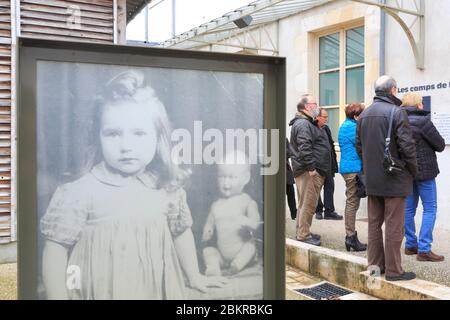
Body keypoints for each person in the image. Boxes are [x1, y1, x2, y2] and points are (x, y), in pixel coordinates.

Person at [40, 70, 226, 299]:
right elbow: (55, 250)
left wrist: (194, 276)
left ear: (158, 138)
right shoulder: (79, 192)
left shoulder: (166, 188)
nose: (126, 145)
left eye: (139, 133)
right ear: (98, 136)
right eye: (113, 134)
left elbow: (181, 233)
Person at [356, 75, 418, 281]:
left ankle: (375, 268)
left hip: (373, 179)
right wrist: (413, 171)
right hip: (395, 178)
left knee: (374, 224)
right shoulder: (396, 112)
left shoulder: (363, 115)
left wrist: (370, 169)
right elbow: (407, 147)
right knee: (394, 225)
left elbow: (359, 147)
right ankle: (394, 271)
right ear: (392, 91)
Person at [401, 93, 445, 262]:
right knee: (430, 209)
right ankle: (424, 249)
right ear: (418, 105)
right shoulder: (423, 121)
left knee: (408, 209)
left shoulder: (398, 121)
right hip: (425, 173)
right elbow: (440, 145)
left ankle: (411, 244)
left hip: (407, 172)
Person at [202, 151, 261, 276]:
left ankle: (237, 265)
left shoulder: (246, 200)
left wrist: (247, 222)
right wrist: (207, 230)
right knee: (208, 251)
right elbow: (209, 224)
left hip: (242, 250)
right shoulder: (216, 205)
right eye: (222, 176)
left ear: (245, 178)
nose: (225, 182)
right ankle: (213, 267)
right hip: (222, 254)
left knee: (250, 247)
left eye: (232, 177)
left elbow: (256, 224)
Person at [289, 94, 331, 246]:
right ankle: (303, 235)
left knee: (304, 203)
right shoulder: (303, 124)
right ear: (307, 107)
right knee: (308, 204)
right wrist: (312, 168)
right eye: (315, 104)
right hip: (308, 172)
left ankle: (302, 231)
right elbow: (304, 147)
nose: (317, 107)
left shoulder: (306, 123)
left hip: (307, 170)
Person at [338, 103, 367, 252]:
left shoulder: (348, 124)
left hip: (350, 168)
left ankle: (351, 236)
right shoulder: (351, 127)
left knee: (352, 201)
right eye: (363, 114)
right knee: (352, 202)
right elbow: (364, 144)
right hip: (352, 169)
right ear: (356, 116)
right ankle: (350, 237)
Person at [315, 108, 342, 221]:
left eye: (326, 117)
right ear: (317, 117)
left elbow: (330, 144)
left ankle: (329, 211)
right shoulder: (312, 129)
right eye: (324, 117)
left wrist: (334, 161)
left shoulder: (326, 128)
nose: (327, 119)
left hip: (329, 164)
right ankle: (318, 210)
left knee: (330, 187)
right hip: (318, 165)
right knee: (316, 189)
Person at [286, 138, 297, 220]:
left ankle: (294, 214)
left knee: (291, 193)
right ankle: (294, 214)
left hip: (286, 171)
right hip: (284, 170)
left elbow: (290, 153)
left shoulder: (284, 139)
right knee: (290, 193)